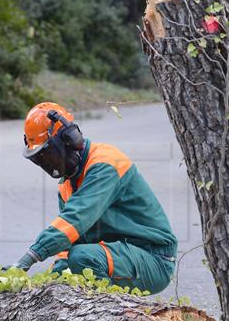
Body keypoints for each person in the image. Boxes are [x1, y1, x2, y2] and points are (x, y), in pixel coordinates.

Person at [11, 102, 177, 294]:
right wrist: (48, 285)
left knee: (83, 259)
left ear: (69, 139)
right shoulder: (67, 184)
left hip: (153, 258)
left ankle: (117, 318)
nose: (48, 163)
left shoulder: (105, 164)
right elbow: (69, 241)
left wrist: (29, 257)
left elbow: (76, 218)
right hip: (117, 253)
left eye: (48, 155)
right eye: (41, 158)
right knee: (75, 260)